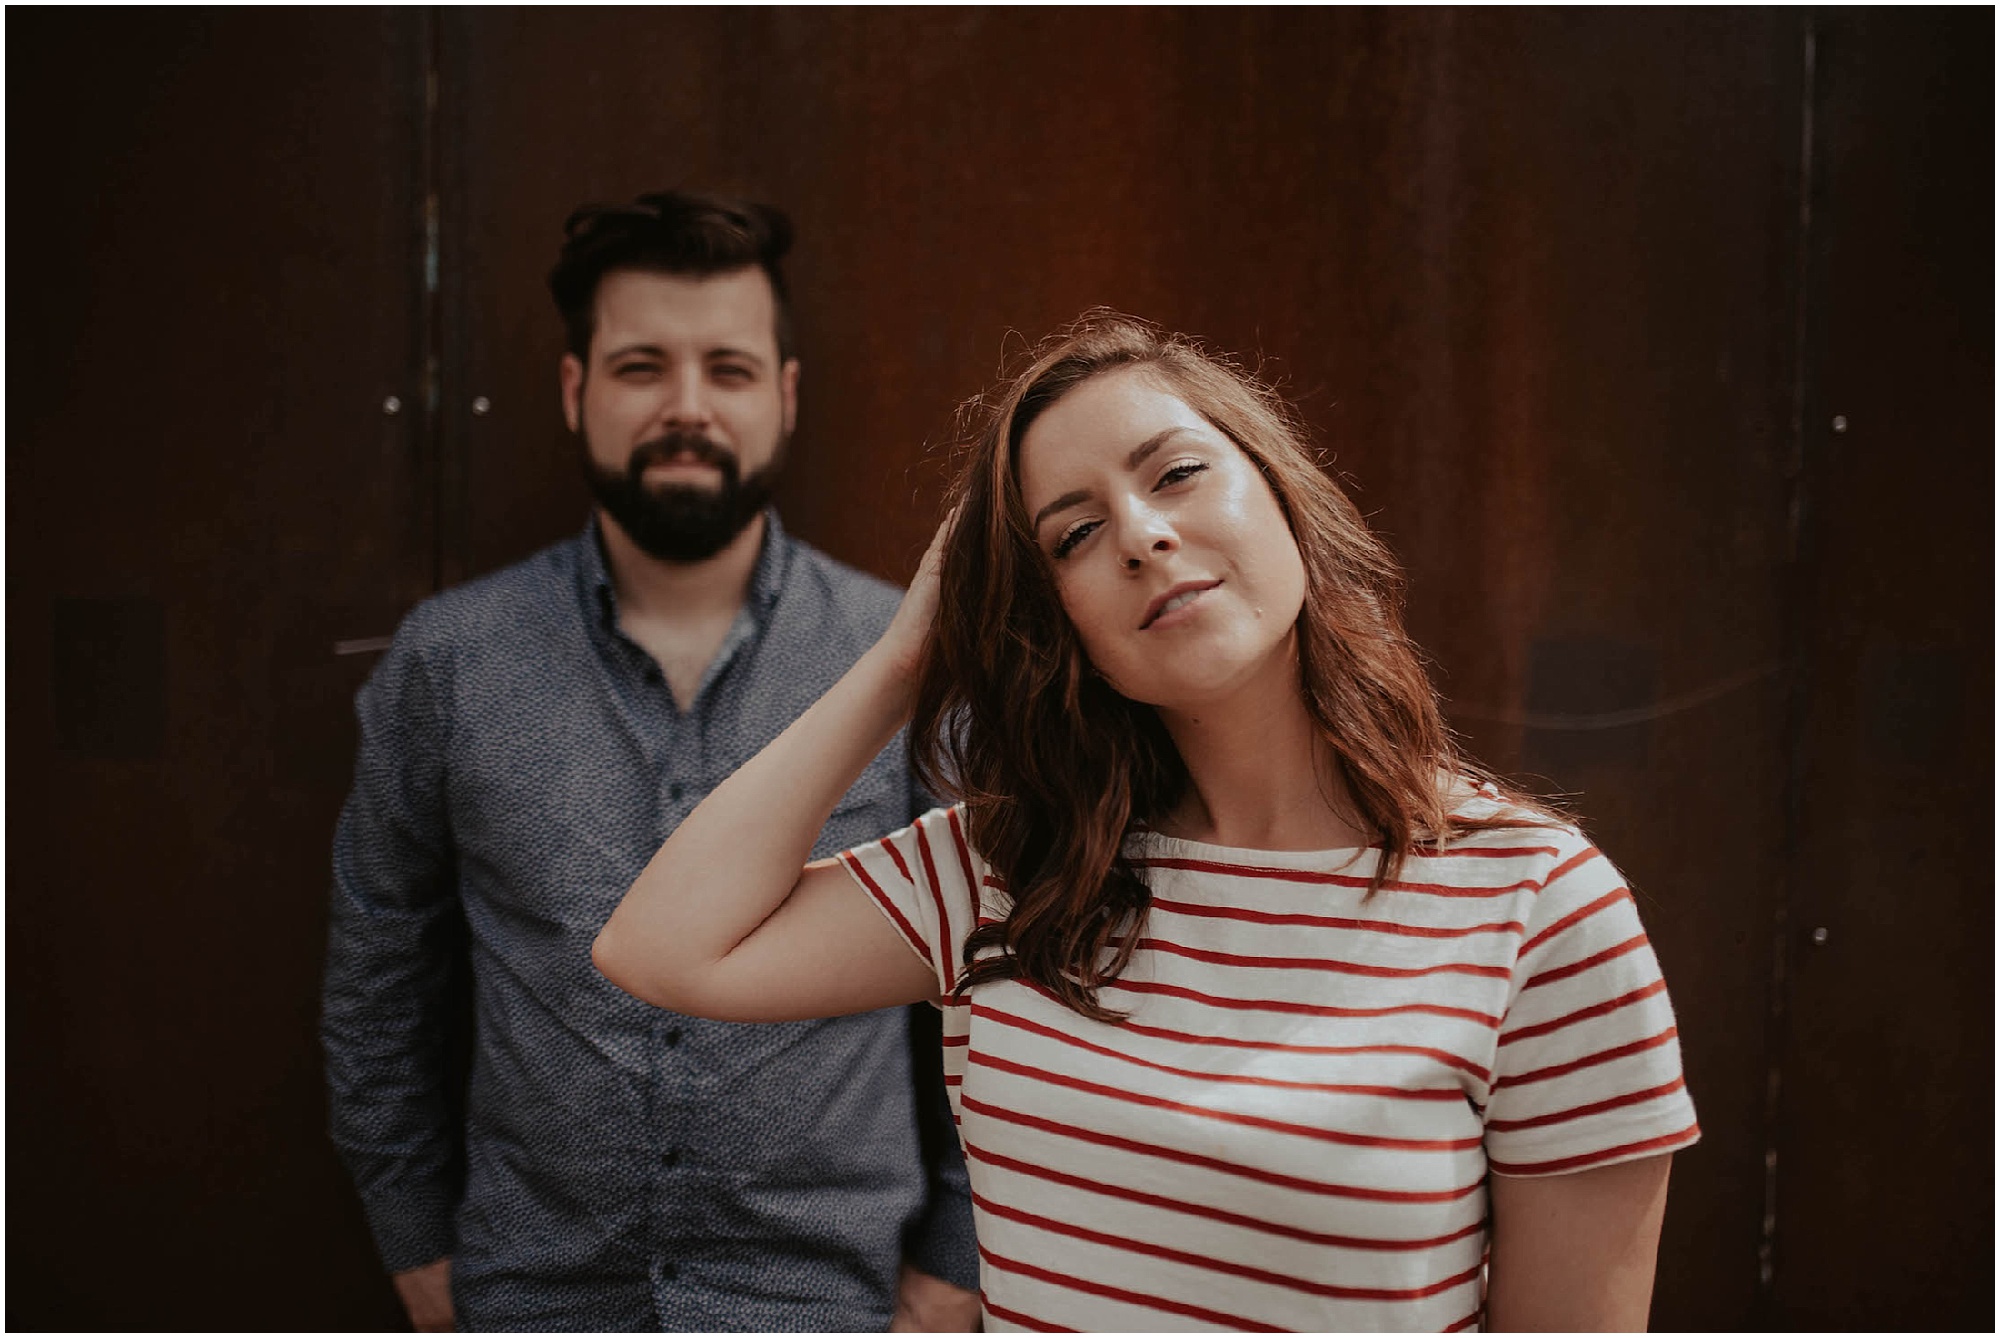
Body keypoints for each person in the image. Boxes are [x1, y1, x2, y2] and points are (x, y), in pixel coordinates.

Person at [593, 311, 1703, 1331]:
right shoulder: (1007, 869)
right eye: (1070, 536)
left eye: (1175, 473)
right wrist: (899, 660)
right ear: (1058, 619)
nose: (1138, 536)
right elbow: (660, 948)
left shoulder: (1537, 906)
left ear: (1281, 493)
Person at [322, 190, 979, 1332]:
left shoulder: (901, 664)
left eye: (727, 369)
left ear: (782, 397)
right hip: (532, 1302)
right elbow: (379, 978)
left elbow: (997, 970)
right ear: (576, 391)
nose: (686, 407)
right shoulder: (449, 663)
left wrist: (955, 1262)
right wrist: (415, 1239)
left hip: (833, 1305)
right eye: (640, 367)